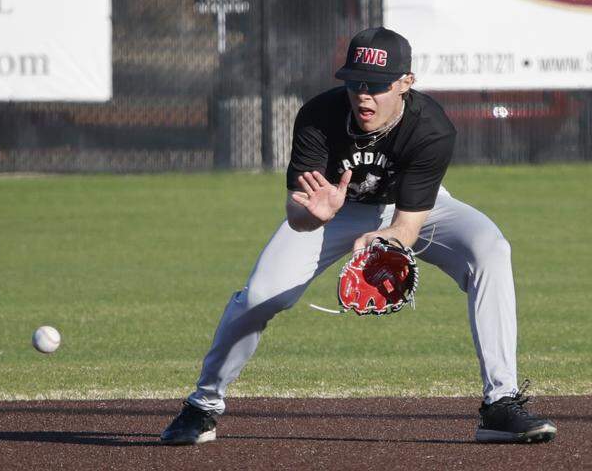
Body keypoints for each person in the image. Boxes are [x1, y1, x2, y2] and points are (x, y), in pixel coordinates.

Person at [160, 27, 557, 445]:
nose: (363, 95)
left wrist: (387, 241)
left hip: (411, 208)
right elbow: (297, 213)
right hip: (336, 212)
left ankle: (500, 403)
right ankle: (202, 406)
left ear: (406, 83)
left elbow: (406, 227)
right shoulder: (319, 116)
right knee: (259, 297)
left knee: (490, 249)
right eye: (355, 82)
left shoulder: (431, 128)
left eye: (378, 85)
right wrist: (314, 215)